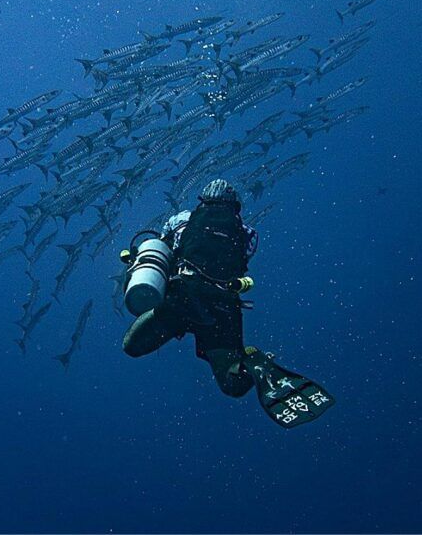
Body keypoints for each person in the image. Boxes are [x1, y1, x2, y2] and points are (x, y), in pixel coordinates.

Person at [120, 179, 335, 428]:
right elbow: (241, 263)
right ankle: (253, 362)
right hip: (224, 307)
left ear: (203, 199)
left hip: (183, 298)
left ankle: (245, 360)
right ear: (234, 205)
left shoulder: (182, 221)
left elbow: (163, 252)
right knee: (231, 384)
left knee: (132, 346)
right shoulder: (246, 232)